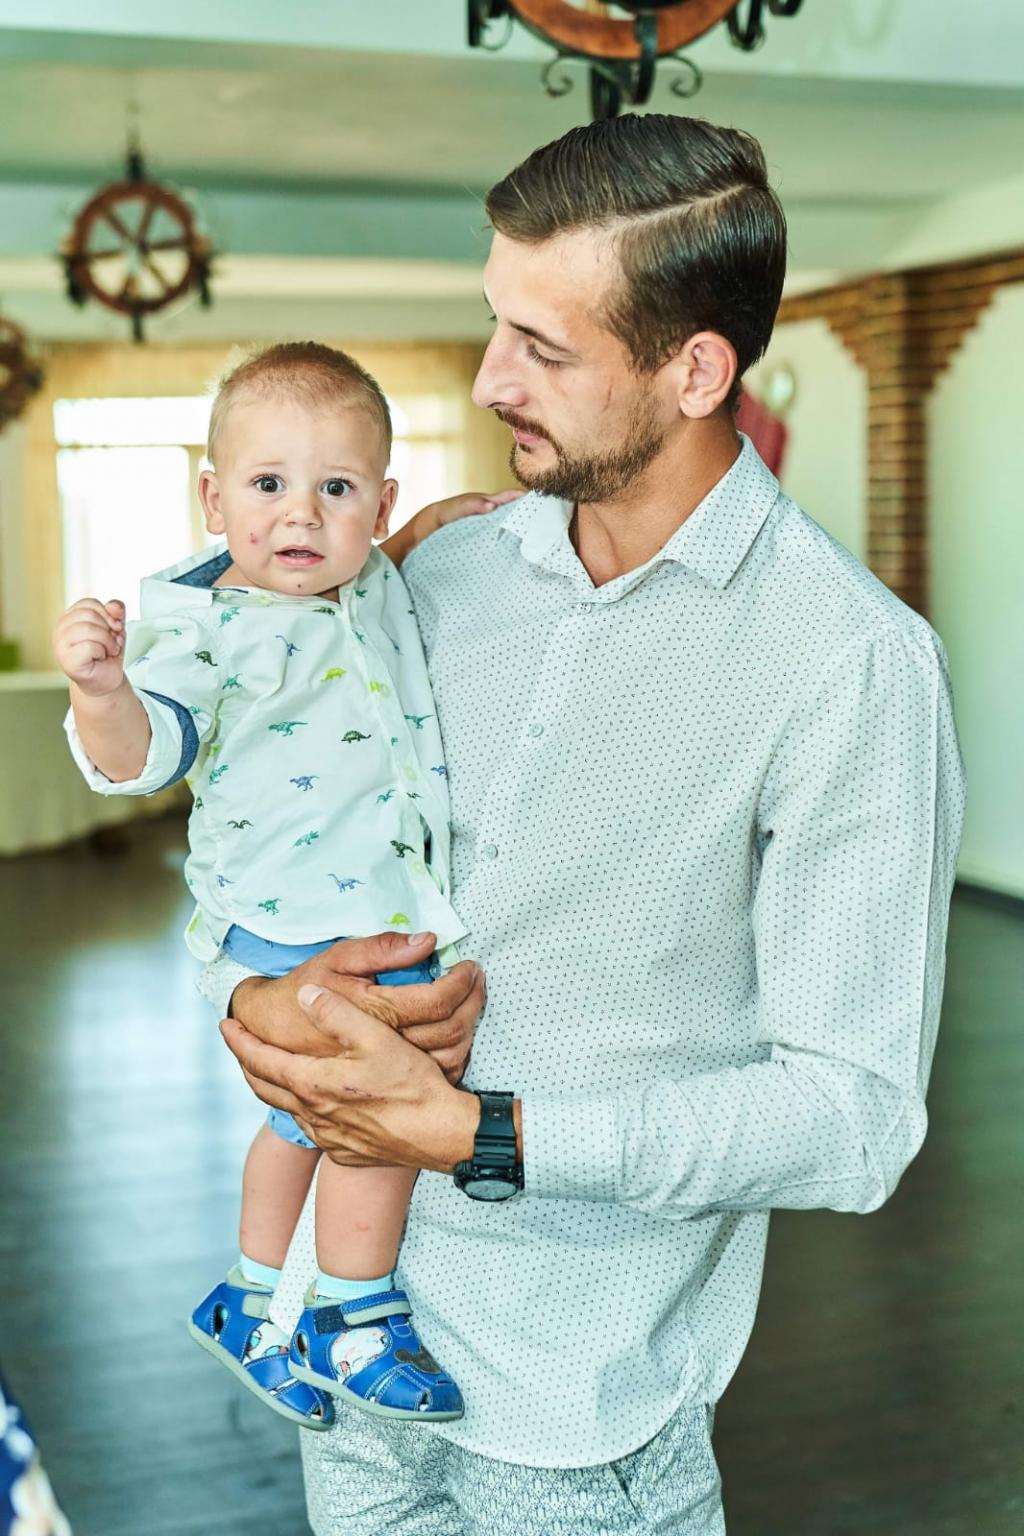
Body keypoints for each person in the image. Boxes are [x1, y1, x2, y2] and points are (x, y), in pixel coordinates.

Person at [207, 113, 964, 1536]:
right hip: (341, 1344)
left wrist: (481, 1134)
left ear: (696, 371)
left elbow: (854, 1119)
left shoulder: (849, 665)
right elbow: (273, 817)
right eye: (495, 321)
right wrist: (259, 994)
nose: (489, 378)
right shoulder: (433, 571)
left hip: (576, 1412)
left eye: (541, 348)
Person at [53, 343, 514, 1433]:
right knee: (372, 1115)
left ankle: (251, 1295)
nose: (301, 513)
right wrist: (100, 692)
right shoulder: (200, 629)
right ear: (213, 499)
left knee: (301, 1126)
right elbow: (146, 755)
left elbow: (377, 564)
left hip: (369, 906)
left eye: (336, 488)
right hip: (290, 922)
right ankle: (351, 1314)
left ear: (376, 506)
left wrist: (426, 531)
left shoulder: (369, 577)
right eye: (268, 484)